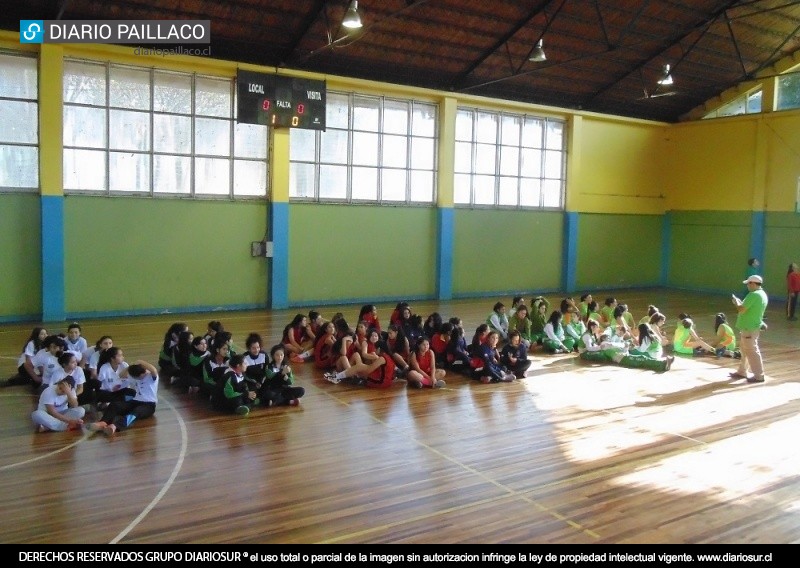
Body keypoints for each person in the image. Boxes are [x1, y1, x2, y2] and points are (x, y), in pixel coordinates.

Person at [85, 360, 159, 436]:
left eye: (140, 377)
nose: (139, 379)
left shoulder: (151, 377)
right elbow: (121, 375)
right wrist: (130, 366)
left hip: (149, 405)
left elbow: (153, 369)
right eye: (136, 377)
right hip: (135, 401)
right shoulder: (136, 377)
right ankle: (103, 422)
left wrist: (140, 362)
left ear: (144, 372)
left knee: (135, 412)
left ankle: (115, 426)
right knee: (115, 405)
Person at [730, 274, 769, 383]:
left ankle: (759, 375)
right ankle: (742, 371)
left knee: (751, 351)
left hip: (749, 327)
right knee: (744, 350)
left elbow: (742, 309)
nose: (747, 285)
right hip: (752, 326)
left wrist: (736, 302)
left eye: (748, 283)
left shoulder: (754, 295)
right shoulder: (762, 294)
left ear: (753, 283)